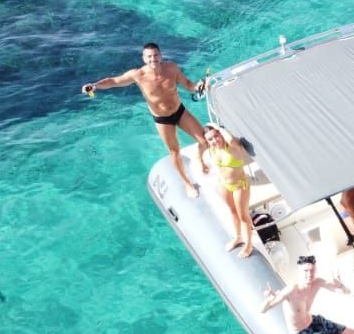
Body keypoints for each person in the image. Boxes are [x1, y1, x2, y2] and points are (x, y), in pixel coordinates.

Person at [81, 42, 207, 198]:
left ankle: (199, 159)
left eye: (155, 55)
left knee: (204, 141)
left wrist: (198, 87)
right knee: (174, 151)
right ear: (143, 58)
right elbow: (114, 81)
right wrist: (95, 86)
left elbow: (188, 84)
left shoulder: (171, 68)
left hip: (180, 112)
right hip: (162, 120)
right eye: (149, 56)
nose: (153, 59)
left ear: (160, 55)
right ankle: (187, 183)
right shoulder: (138, 75)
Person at [258, 255, 354, 334]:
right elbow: (263, 310)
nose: (309, 274)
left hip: (314, 322)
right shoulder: (291, 290)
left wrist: (340, 285)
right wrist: (268, 300)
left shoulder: (318, 282)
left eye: (312, 270)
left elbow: (347, 292)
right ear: (299, 271)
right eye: (305, 271)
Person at [201, 123, 256, 257]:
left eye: (216, 136)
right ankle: (238, 237)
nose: (215, 141)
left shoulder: (233, 146)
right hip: (224, 184)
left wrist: (218, 127)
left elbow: (230, 139)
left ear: (221, 134)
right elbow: (200, 147)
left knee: (243, 215)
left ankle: (249, 245)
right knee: (232, 211)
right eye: (210, 139)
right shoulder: (212, 149)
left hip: (239, 185)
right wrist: (200, 162)